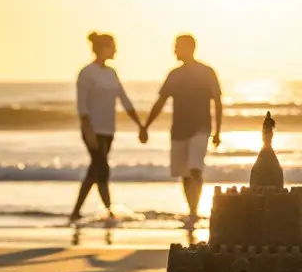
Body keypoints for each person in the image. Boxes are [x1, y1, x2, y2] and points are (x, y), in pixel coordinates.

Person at [140, 34, 222, 227]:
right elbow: (160, 102)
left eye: (177, 47)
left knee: (195, 168)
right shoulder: (174, 75)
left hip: (201, 128)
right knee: (185, 173)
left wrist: (218, 131)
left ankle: (194, 209)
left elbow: (217, 101)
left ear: (189, 48)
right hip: (179, 130)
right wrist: (146, 126)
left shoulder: (206, 72)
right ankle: (191, 210)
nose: (174, 51)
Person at [70, 32, 143, 222]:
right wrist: (88, 131)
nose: (115, 50)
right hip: (92, 129)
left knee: (95, 169)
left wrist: (140, 124)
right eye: (112, 46)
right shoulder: (86, 73)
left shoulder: (112, 73)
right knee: (102, 167)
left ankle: (76, 211)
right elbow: (82, 106)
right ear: (103, 48)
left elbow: (124, 99)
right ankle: (109, 210)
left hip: (108, 129)